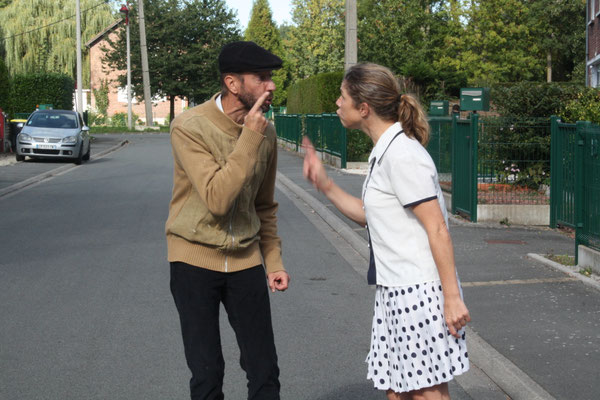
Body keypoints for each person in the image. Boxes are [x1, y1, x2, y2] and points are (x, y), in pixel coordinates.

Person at [303, 63, 470, 400]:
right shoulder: (386, 151)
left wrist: (451, 298)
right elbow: (371, 216)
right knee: (396, 391)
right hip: (396, 291)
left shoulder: (403, 155)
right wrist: (325, 184)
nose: (337, 102)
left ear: (363, 108)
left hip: (419, 294)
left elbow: (436, 226)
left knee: (426, 394)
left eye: (343, 96)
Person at [166, 41, 290, 400]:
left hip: (245, 259)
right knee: (207, 374)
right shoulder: (189, 127)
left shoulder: (265, 133)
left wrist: (274, 260)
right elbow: (218, 200)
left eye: (270, 78)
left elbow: (264, 205)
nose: (271, 86)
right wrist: (250, 136)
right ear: (233, 84)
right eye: (262, 78)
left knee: (264, 369)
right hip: (192, 259)